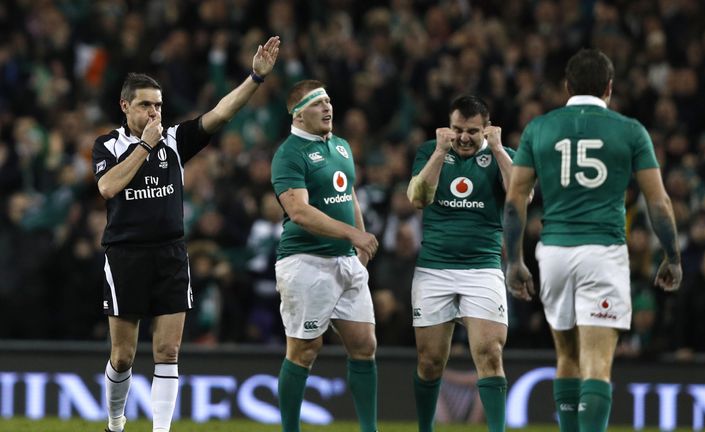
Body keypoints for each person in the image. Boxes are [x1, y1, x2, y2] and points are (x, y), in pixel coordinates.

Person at [92, 37, 280, 432]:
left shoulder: (175, 142)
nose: (154, 112)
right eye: (145, 104)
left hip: (171, 254)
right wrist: (145, 146)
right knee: (123, 356)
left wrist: (254, 79)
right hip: (125, 255)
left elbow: (219, 115)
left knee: (168, 349)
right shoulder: (108, 145)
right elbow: (108, 187)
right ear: (125, 106)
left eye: (158, 105)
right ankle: (115, 422)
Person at [503, 48, 682, 432]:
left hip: (553, 252)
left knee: (566, 356)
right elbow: (660, 203)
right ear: (609, 88)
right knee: (597, 363)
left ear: (566, 87)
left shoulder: (538, 128)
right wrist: (673, 255)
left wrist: (513, 260)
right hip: (602, 251)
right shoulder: (630, 130)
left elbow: (515, 201)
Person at [271, 80, 380, 432]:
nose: (328, 108)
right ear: (298, 114)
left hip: (345, 261)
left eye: (329, 101)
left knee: (364, 345)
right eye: (319, 104)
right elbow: (300, 213)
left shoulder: (342, 147)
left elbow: (349, 196)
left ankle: (369, 429)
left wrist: (359, 243)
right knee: (305, 349)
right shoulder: (289, 154)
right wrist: (353, 234)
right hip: (305, 262)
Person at [407, 95, 515, 432]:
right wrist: (440, 153)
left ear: (487, 128)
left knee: (489, 354)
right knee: (429, 362)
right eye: (457, 129)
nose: (464, 137)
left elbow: (519, 198)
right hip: (434, 269)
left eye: (472, 131)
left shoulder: (503, 155)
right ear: (448, 126)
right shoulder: (430, 151)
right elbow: (417, 197)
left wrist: (498, 151)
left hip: (482, 268)